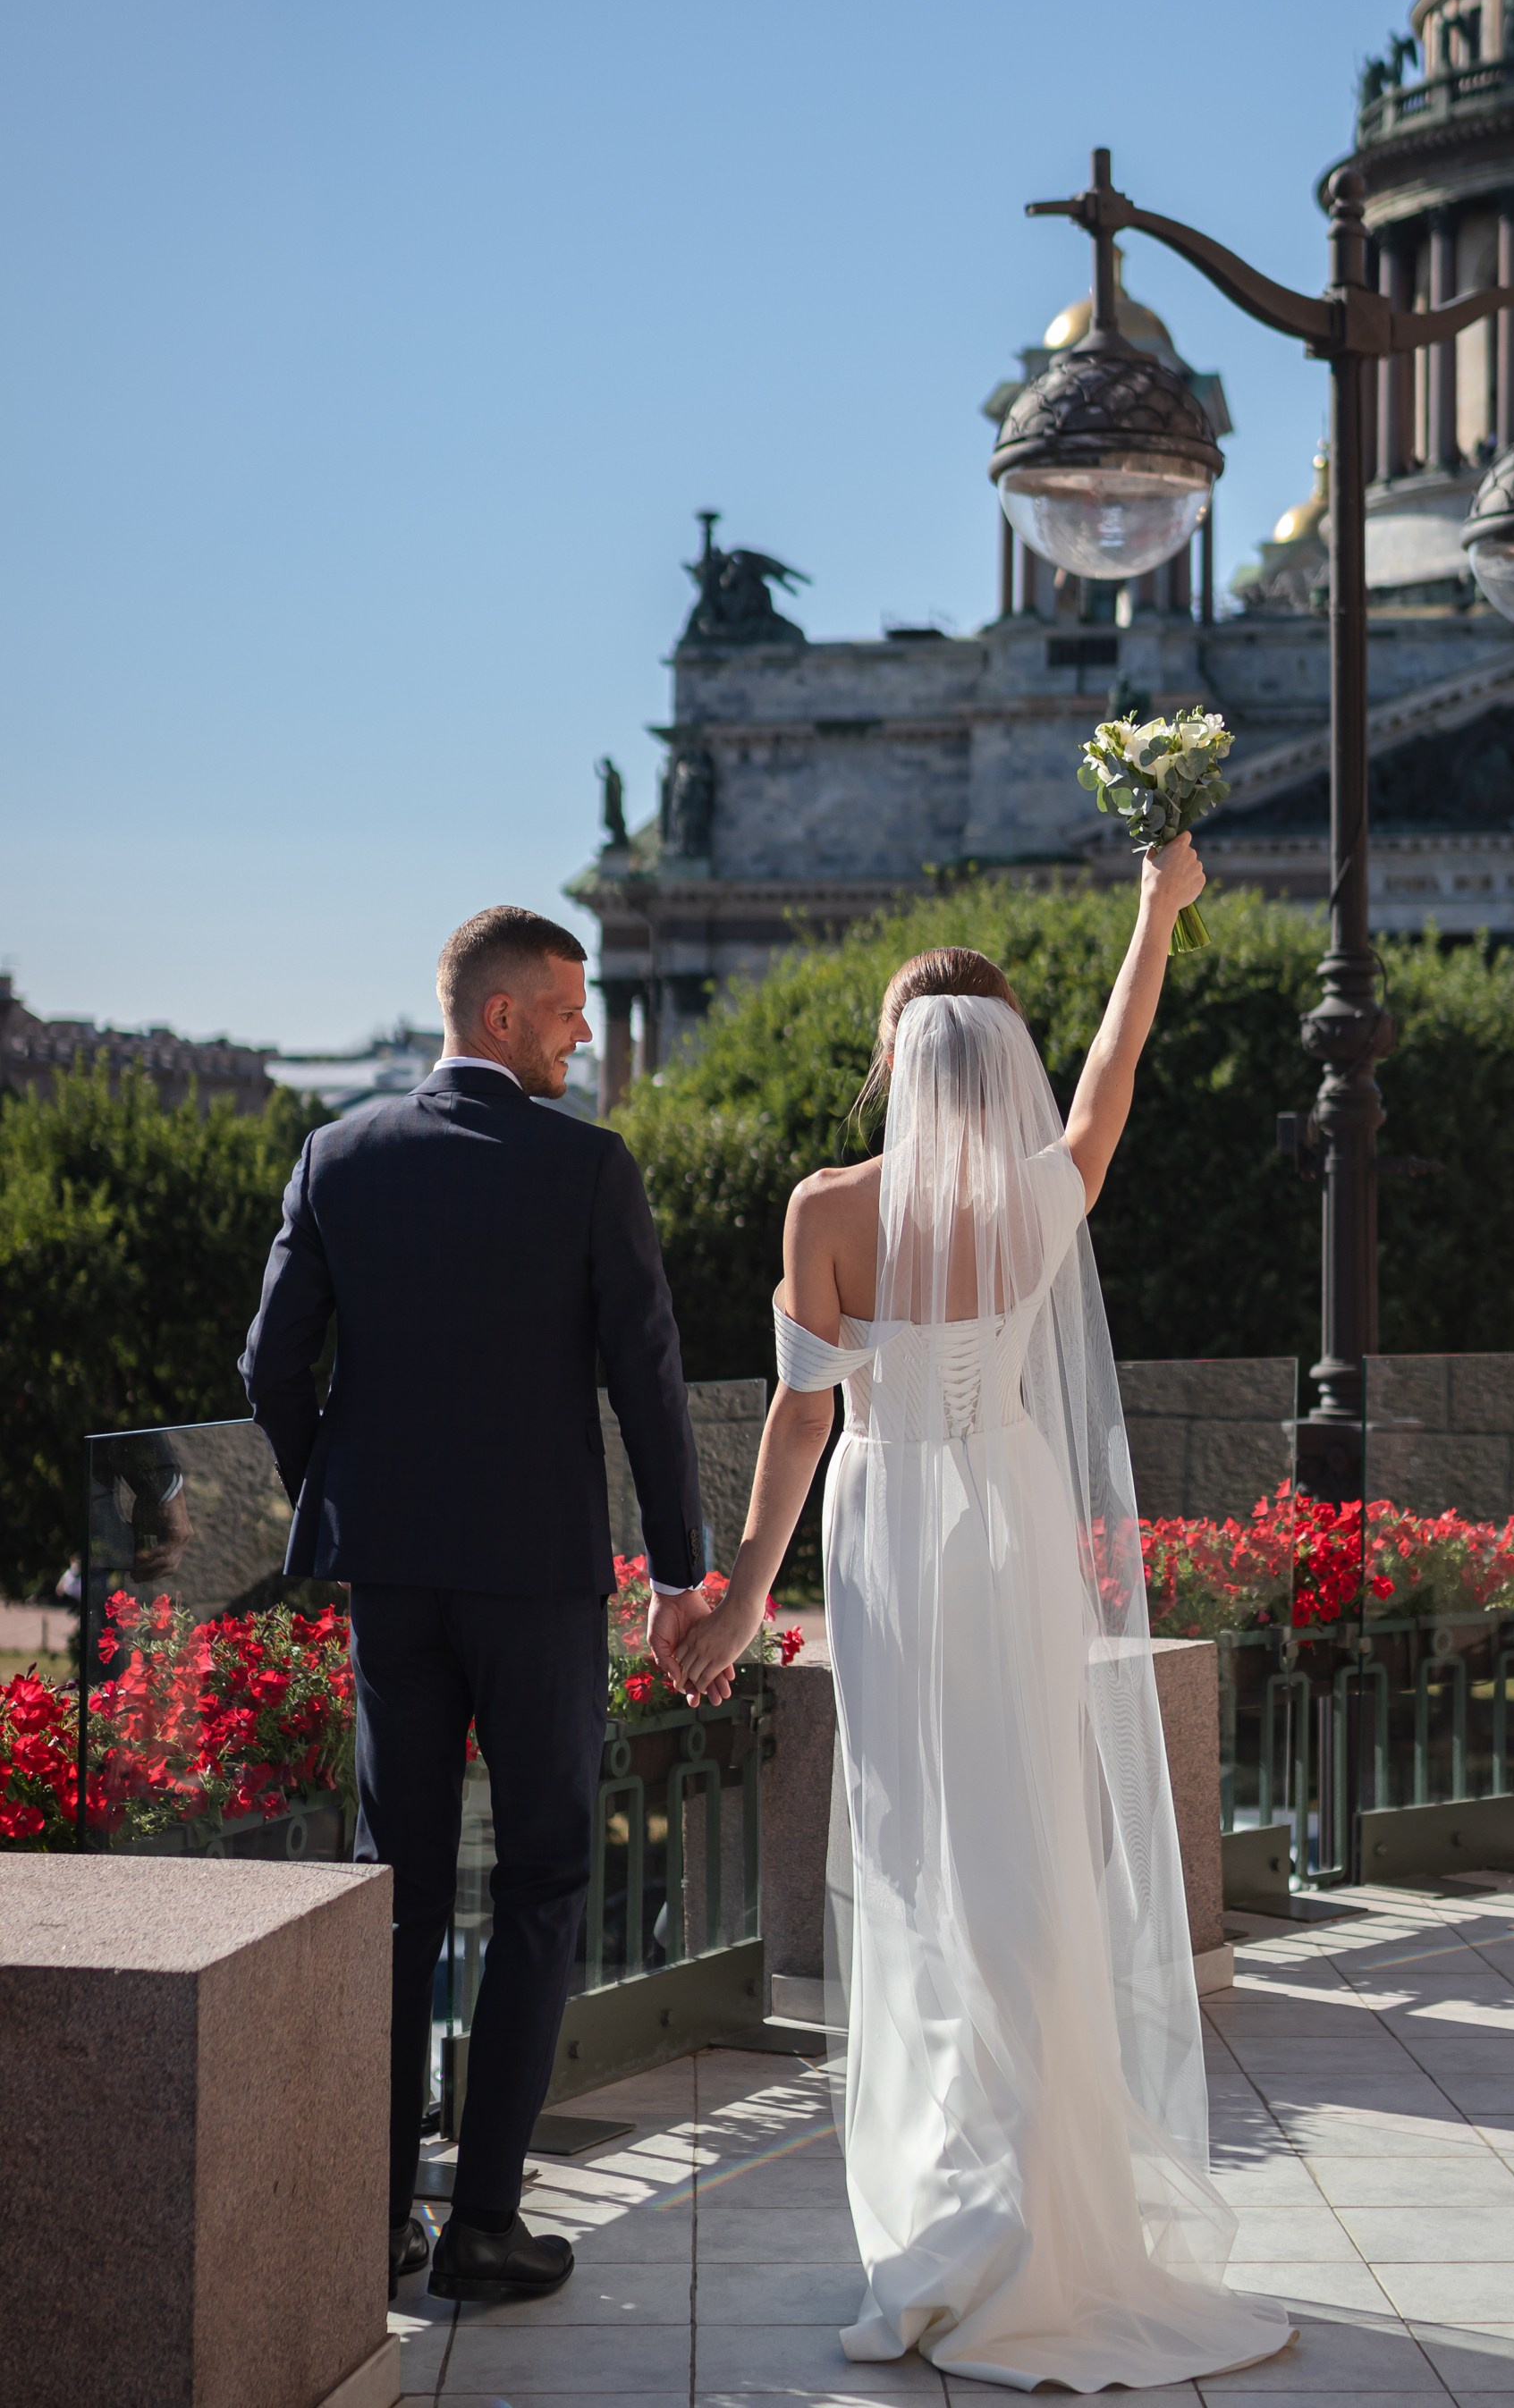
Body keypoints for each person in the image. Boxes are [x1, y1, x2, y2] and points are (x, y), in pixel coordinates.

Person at [672, 835, 1292, 2391]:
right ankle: (1036, 2198)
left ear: (894, 1058)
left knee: (919, 1846)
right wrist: (1160, 909)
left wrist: (745, 1601)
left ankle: (955, 2199)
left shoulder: (828, 1205)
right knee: (1018, 1838)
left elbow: (800, 1424)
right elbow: (1116, 1071)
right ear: (999, 1064)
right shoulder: (1043, 1193)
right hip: (1008, 1522)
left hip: (887, 1531)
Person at [240, 908, 717, 2306]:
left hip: (391, 1578)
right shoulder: (587, 1169)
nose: (584, 1027)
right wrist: (680, 1571)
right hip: (539, 1585)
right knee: (548, 1884)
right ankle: (485, 2226)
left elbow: (274, 1367)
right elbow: (648, 1385)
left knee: (398, 1894)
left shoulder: (340, 1157)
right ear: (501, 1015)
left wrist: (339, 1495)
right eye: (568, 1008)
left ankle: (377, 2220)